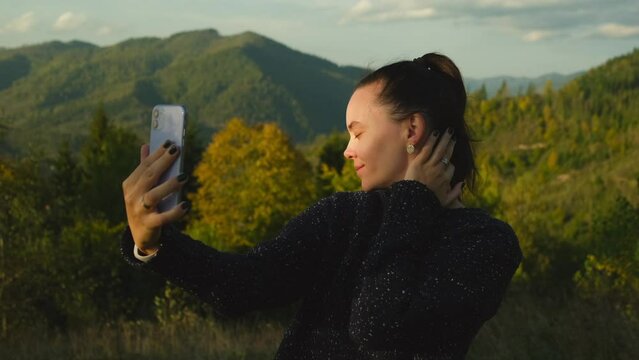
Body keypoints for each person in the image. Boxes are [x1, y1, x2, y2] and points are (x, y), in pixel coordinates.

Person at [120, 52, 523, 359]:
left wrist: (412, 202)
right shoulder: (343, 216)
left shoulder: (484, 243)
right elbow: (239, 287)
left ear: (412, 129)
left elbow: (378, 329)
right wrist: (153, 244)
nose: (347, 150)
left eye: (357, 132)